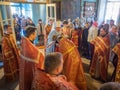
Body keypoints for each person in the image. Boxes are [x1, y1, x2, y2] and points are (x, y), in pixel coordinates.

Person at [19, 26, 44, 90]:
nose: (36, 35)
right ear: (31, 34)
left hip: (25, 69)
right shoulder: (29, 47)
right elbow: (40, 57)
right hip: (30, 71)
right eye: (35, 33)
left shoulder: (24, 42)